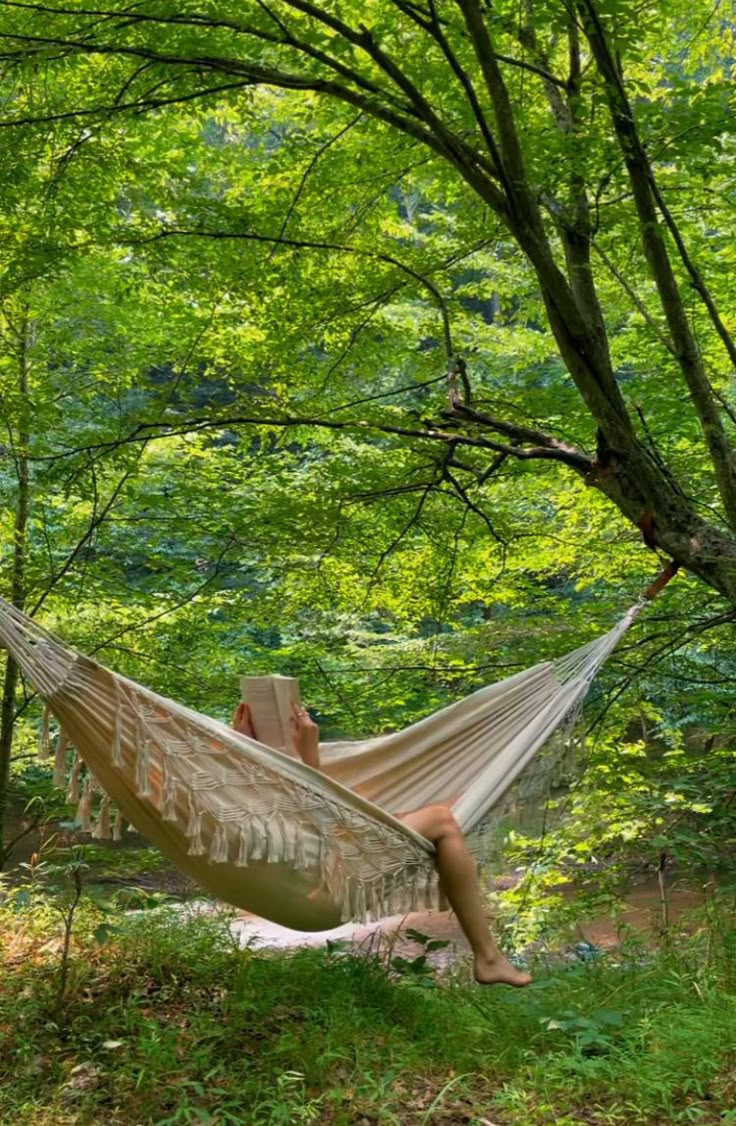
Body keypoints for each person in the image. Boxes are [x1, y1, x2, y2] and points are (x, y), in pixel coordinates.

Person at [232, 699, 531, 988]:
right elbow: (319, 828)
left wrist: (238, 747)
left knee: (436, 816)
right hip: (321, 891)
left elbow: (315, 828)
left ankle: (490, 957)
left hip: (303, 882)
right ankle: (489, 957)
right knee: (441, 819)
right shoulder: (253, 804)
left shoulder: (231, 802)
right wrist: (309, 756)